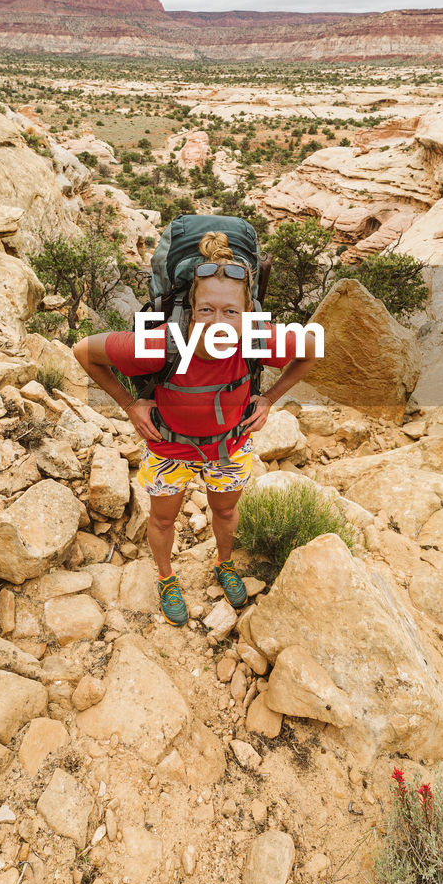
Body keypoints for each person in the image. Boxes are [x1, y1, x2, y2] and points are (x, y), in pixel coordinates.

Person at [73, 231, 320, 626]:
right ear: (189, 307)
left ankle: (224, 564)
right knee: (163, 519)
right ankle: (167, 577)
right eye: (206, 310)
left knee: (225, 511)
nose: (219, 324)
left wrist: (270, 398)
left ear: (248, 312)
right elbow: (84, 351)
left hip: (230, 446)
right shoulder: (160, 346)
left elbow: (310, 352)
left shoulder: (256, 340)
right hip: (170, 449)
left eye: (230, 312)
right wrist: (129, 404)